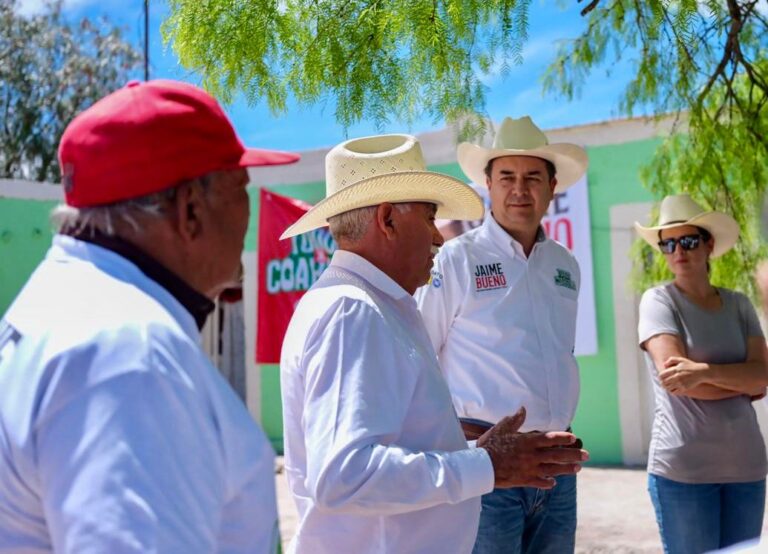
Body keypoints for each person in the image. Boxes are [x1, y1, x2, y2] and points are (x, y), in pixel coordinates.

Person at [0, 80, 299, 552]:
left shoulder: (66, 304)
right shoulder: (130, 355)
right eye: (241, 187)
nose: (248, 213)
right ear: (191, 211)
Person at [279, 133, 589, 554]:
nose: (439, 237)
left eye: (533, 177)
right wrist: (486, 463)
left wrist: (481, 458)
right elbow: (346, 476)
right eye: (429, 217)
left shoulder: (373, 308)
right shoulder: (353, 312)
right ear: (387, 220)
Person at [414, 116, 589, 553]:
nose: (519, 189)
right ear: (487, 185)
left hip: (559, 467)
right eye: (506, 176)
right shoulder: (455, 259)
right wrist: (456, 454)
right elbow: (420, 358)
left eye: (532, 177)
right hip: (488, 464)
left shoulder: (565, 264)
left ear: (552, 186)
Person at [635, 193, 768, 554]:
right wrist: (741, 380)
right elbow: (676, 380)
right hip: (683, 472)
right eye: (669, 243)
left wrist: (703, 372)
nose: (679, 250)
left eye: (689, 240)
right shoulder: (658, 301)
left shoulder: (739, 304)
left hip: (747, 470)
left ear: (709, 244)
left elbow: (762, 377)